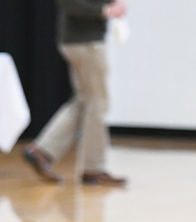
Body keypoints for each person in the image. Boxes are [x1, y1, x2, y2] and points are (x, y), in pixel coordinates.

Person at [24, 0, 128, 186]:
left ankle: (43, 150)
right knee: (97, 103)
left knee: (84, 101)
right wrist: (105, 10)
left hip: (83, 41)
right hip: (85, 42)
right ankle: (93, 168)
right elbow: (68, 3)